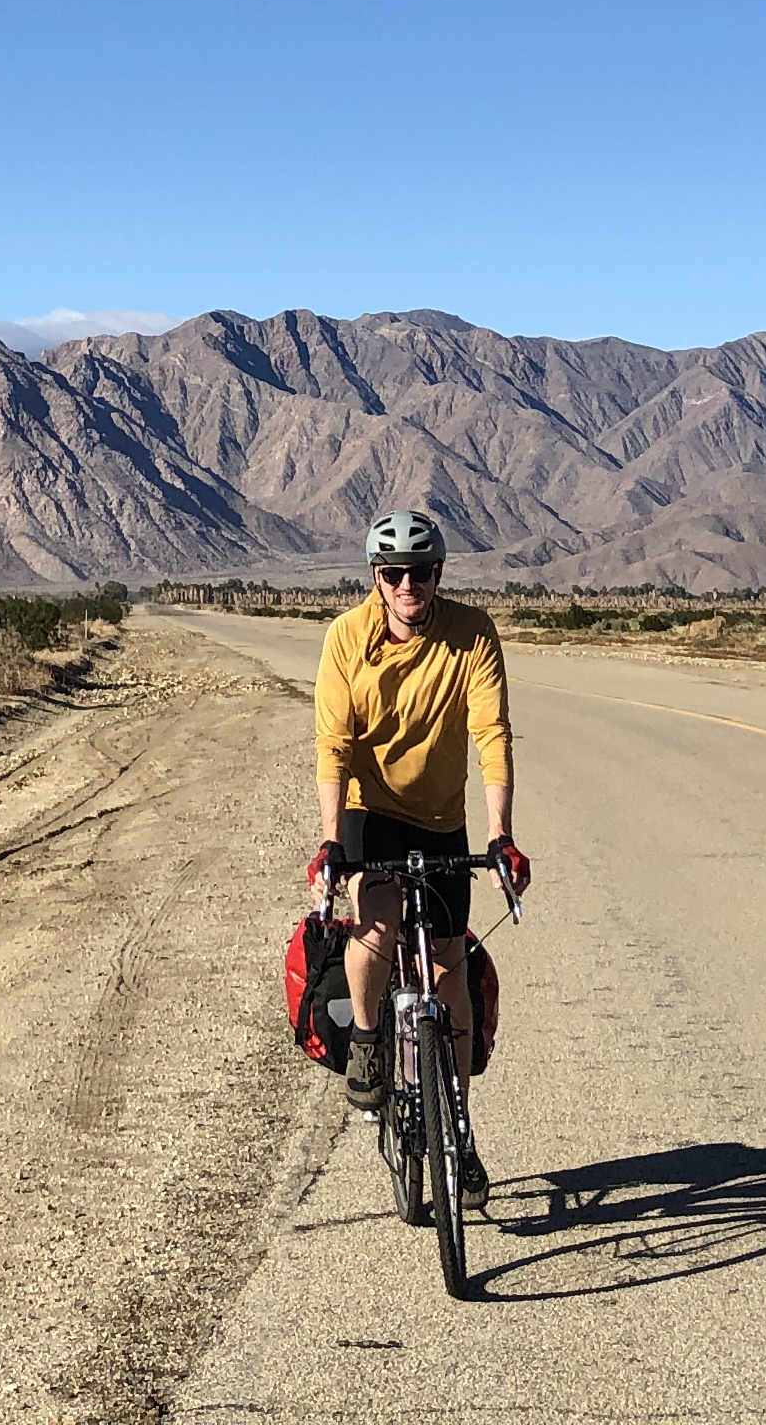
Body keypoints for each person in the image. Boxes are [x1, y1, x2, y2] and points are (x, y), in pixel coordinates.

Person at [312, 510, 528, 1200]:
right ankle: (371, 1044)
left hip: (440, 820)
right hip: (368, 813)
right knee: (374, 932)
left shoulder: (472, 634)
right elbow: (334, 748)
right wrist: (329, 843)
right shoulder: (347, 637)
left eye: (422, 572)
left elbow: (491, 732)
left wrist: (502, 835)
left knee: (449, 970)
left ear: (439, 574)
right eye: (393, 573)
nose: (408, 585)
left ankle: (458, 1129)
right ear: (375, 577)